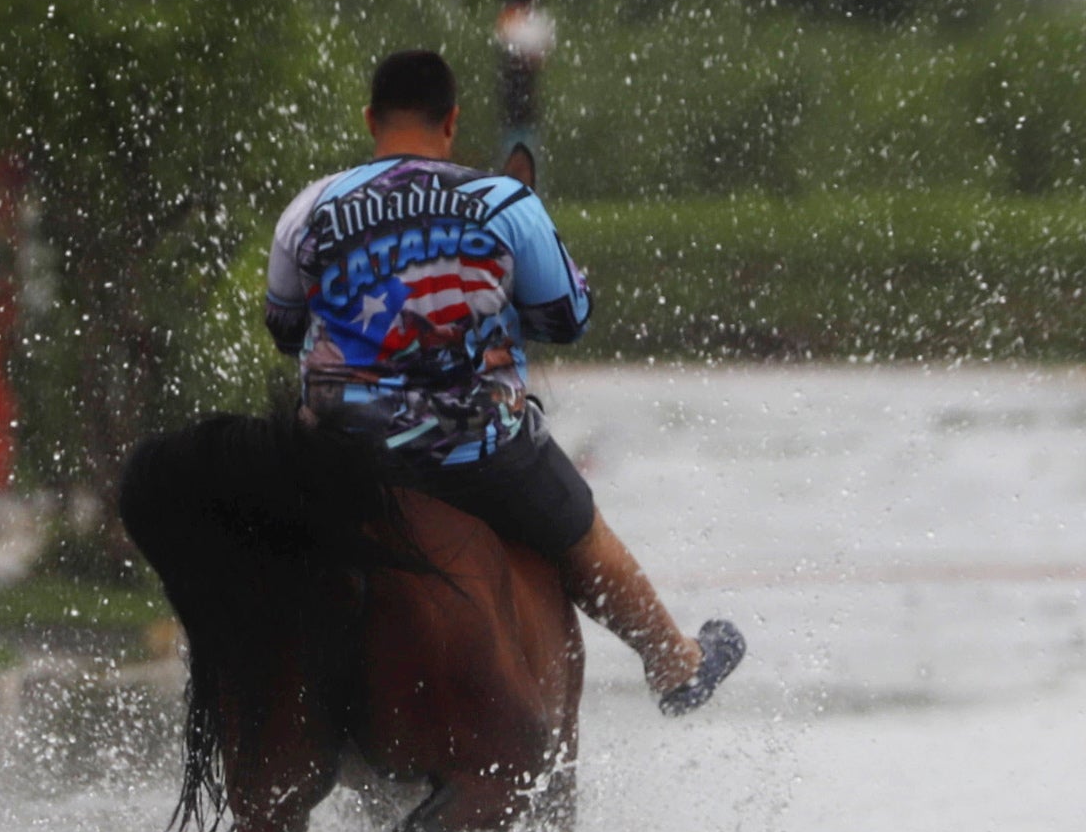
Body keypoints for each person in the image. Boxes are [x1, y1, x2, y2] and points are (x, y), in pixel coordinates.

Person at [264, 48, 743, 715]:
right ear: (452, 121)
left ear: (371, 118)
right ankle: (672, 660)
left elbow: (284, 326)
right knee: (578, 527)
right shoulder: (503, 201)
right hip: (473, 445)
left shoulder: (308, 208)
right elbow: (568, 317)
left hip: (339, 451)